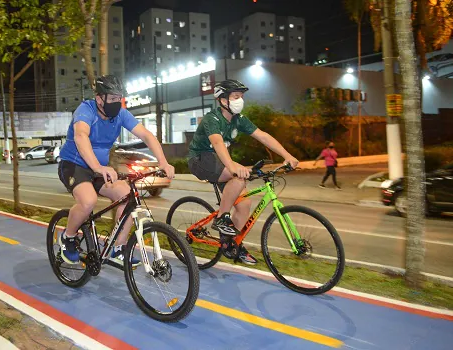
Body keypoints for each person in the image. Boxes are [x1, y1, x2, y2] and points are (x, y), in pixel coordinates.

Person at [57, 75, 175, 265]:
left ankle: (118, 248)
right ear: (99, 98)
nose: (116, 103)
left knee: (129, 198)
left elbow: (146, 135)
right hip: (74, 165)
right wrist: (97, 167)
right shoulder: (86, 110)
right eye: (111, 98)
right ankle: (68, 237)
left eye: (119, 98)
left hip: (100, 168)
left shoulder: (120, 114)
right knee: (88, 202)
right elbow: (80, 136)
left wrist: (163, 161)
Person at [187, 79, 299, 265]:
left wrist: (287, 155)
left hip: (220, 162)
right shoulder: (212, 119)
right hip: (200, 160)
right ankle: (222, 218)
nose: (241, 100)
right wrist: (232, 167)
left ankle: (231, 244)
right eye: (236, 97)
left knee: (244, 204)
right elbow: (217, 143)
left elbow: (262, 135)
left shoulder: (239, 119)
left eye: (241, 97)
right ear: (223, 100)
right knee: (238, 176)